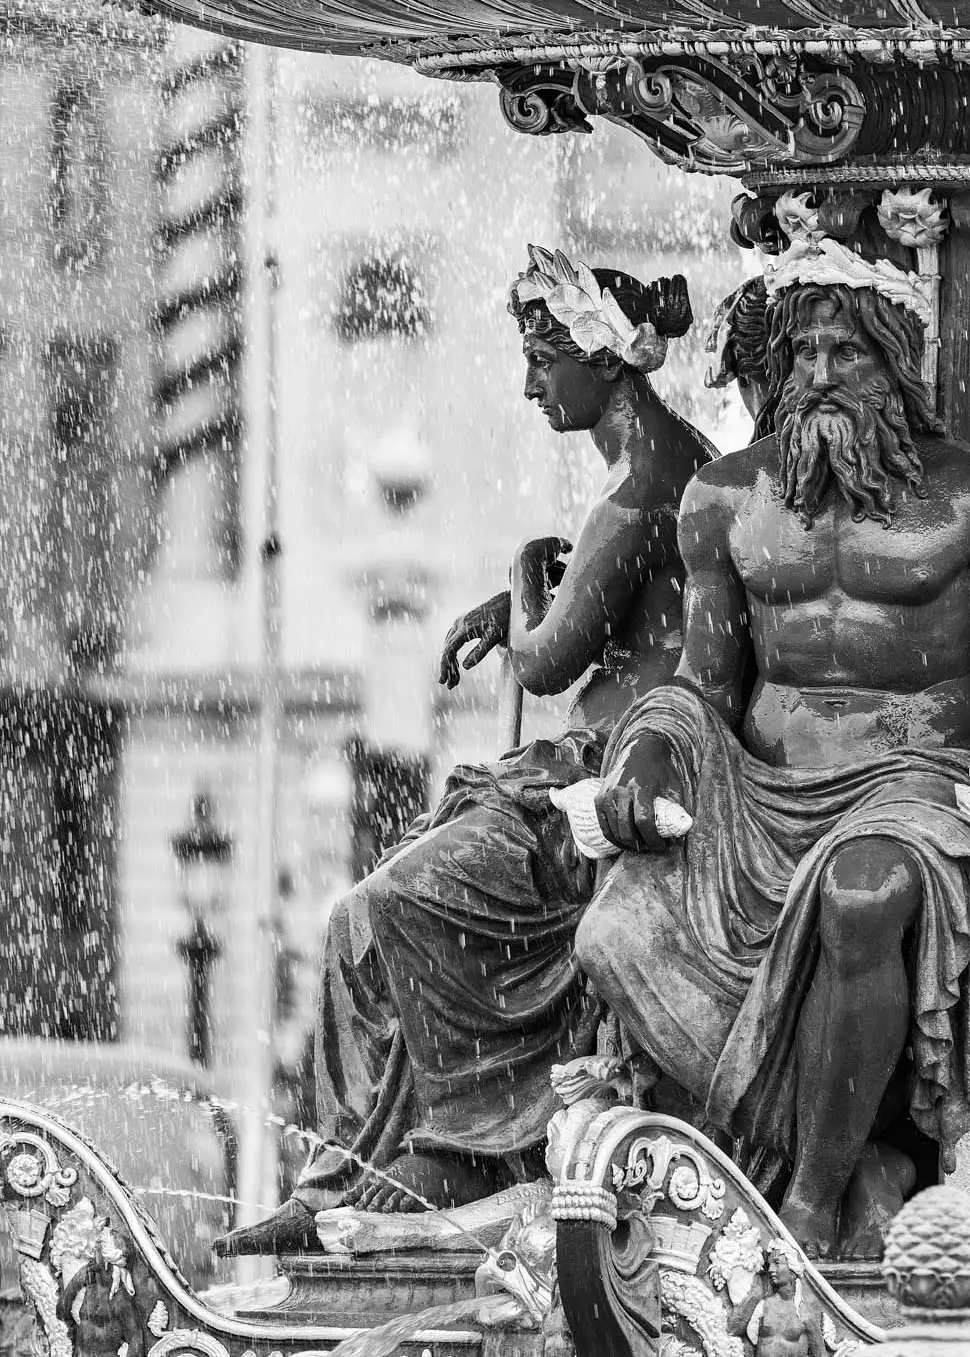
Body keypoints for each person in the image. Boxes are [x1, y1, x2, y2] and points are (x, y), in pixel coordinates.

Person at [565, 236, 970, 1256]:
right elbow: (702, 686)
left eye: (848, 352)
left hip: (913, 779)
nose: (820, 374)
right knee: (608, 935)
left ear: (897, 365)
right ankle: (766, 1151)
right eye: (800, 353)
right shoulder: (723, 498)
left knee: (862, 893)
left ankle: (808, 1196)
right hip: (762, 788)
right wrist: (646, 756)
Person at [219, 248, 710, 1256]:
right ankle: (383, 1162)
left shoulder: (636, 488)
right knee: (378, 919)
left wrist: (519, 580)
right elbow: (602, 622)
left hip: (605, 777)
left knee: (373, 909)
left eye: (541, 360)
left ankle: (369, 1169)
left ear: (600, 359)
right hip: (610, 756)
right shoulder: (670, 458)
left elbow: (540, 662)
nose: (529, 385)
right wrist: (529, 588)